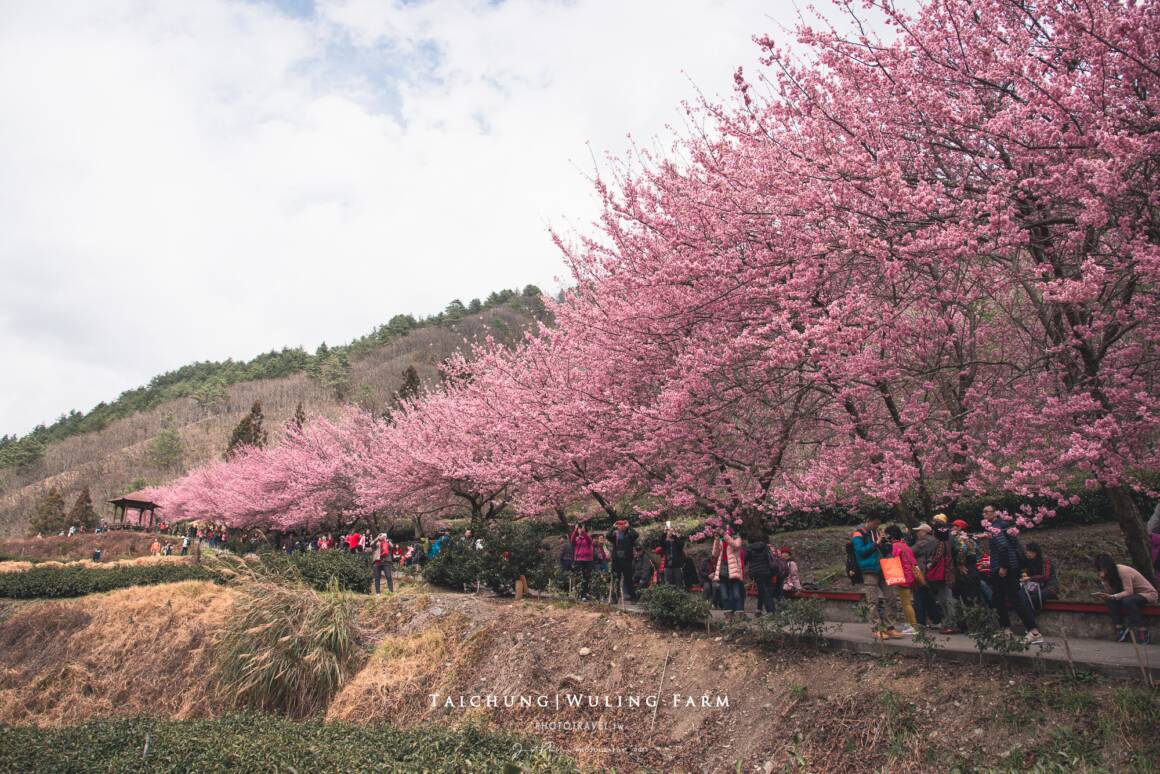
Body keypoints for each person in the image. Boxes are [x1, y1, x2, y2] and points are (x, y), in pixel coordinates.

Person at [987, 509, 1044, 644]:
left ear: (995, 513)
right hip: (1009, 568)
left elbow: (1003, 547)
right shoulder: (1006, 526)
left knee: (1014, 600)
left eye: (987, 511)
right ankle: (1006, 630)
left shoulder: (996, 527)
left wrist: (1003, 566)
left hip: (1004, 570)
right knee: (998, 599)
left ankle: (1034, 632)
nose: (984, 514)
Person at [851, 516, 902, 639]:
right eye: (875, 524)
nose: (876, 526)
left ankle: (890, 627)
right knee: (872, 600)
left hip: (884, 568)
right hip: (869, 570)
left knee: (891, 597)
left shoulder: (877, 533)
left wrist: (886, 543)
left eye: (878, 524)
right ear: (867, 521)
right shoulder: (858, 534)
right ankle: (876, 628)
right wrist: (875, 543)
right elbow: (860, 551)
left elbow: (884, 550)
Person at [1094, 553, 1156, 644]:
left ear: (1109, 566)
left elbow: (1129, 591)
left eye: (1103, 568)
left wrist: (1113, 596)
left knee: (1127, 601)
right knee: (1110, 600)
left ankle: (1142, 629)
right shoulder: (1110, 574)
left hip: (1147, 594)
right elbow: (1111, 592)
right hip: (1131, 595)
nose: (1102, 570)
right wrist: (1104, 580)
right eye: (1100, 568)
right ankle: (1120, 628)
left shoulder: (1123, 571)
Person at [884, 526, 919, 635]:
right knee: (907, 602)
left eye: (887, 534)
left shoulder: (894, 546)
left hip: (903, 577)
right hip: (910, 576)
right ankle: (910, 625)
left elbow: (891, 560)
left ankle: (913, 626)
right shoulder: (905, 545)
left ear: (891, 536)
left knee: (906, 603)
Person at [911, 523, 941, 628]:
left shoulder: (925, 541)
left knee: (919, 597)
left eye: (918, 531)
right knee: (929, 598)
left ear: (925, 532)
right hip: (928, 573)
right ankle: (935, 620)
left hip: (922, 573)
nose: (917, 533)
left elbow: (911, 551)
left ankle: (920, 622)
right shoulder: (933, 540)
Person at [713, 528, 746, 617]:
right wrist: (716, 540)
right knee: (724, 595)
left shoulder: (736, 538)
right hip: (722, 570)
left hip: (733, 570)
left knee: (736, 594)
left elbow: (736, 546)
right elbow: (715, 554)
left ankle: (739, 615)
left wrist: (725, 535)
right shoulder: (721, 540)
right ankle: (728, 616)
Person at [606, 520, 640, 603]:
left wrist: (629, 527)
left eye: (622, 525)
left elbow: (636, 535)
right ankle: (615, 598)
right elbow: (608, 536)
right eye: (619, 525)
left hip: (626, 560)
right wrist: (613, 527)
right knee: (616, 580)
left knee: (629, 579)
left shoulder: (629, 535)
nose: (621, 527)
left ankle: (633, 597)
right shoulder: (615, 536)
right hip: (616, 561)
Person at [746, 531, 776, 616]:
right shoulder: (765, 546)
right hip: (767, 571)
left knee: (763, 591)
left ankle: (770, 611)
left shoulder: (749, 549)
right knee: (766, 591)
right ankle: (764, 610)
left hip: (757, 573)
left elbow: (745, 559)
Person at [569, 524, 595, 601]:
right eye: (579, 529)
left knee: (586, 577)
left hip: (588, 560)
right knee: (580, 577)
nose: (580, 530)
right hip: (579, 559)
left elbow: (589, 540)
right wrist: (575, 530)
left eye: (581, 529)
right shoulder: (577, 538)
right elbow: (572, 541)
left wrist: (584, 533)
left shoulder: (588, 537)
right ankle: (580, 594)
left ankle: (585, 593)